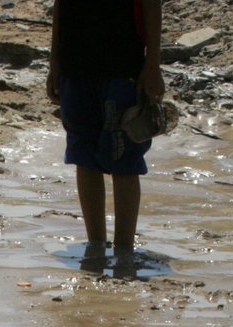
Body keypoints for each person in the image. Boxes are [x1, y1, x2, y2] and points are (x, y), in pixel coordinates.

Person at [47, 0, 165, 274]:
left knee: (124, 158)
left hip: (123, 67)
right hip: (75, 67)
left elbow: (151, 5)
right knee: (83, 156)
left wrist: (153, 64)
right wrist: (55, 63)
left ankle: (124, 252)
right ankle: (95, 248)